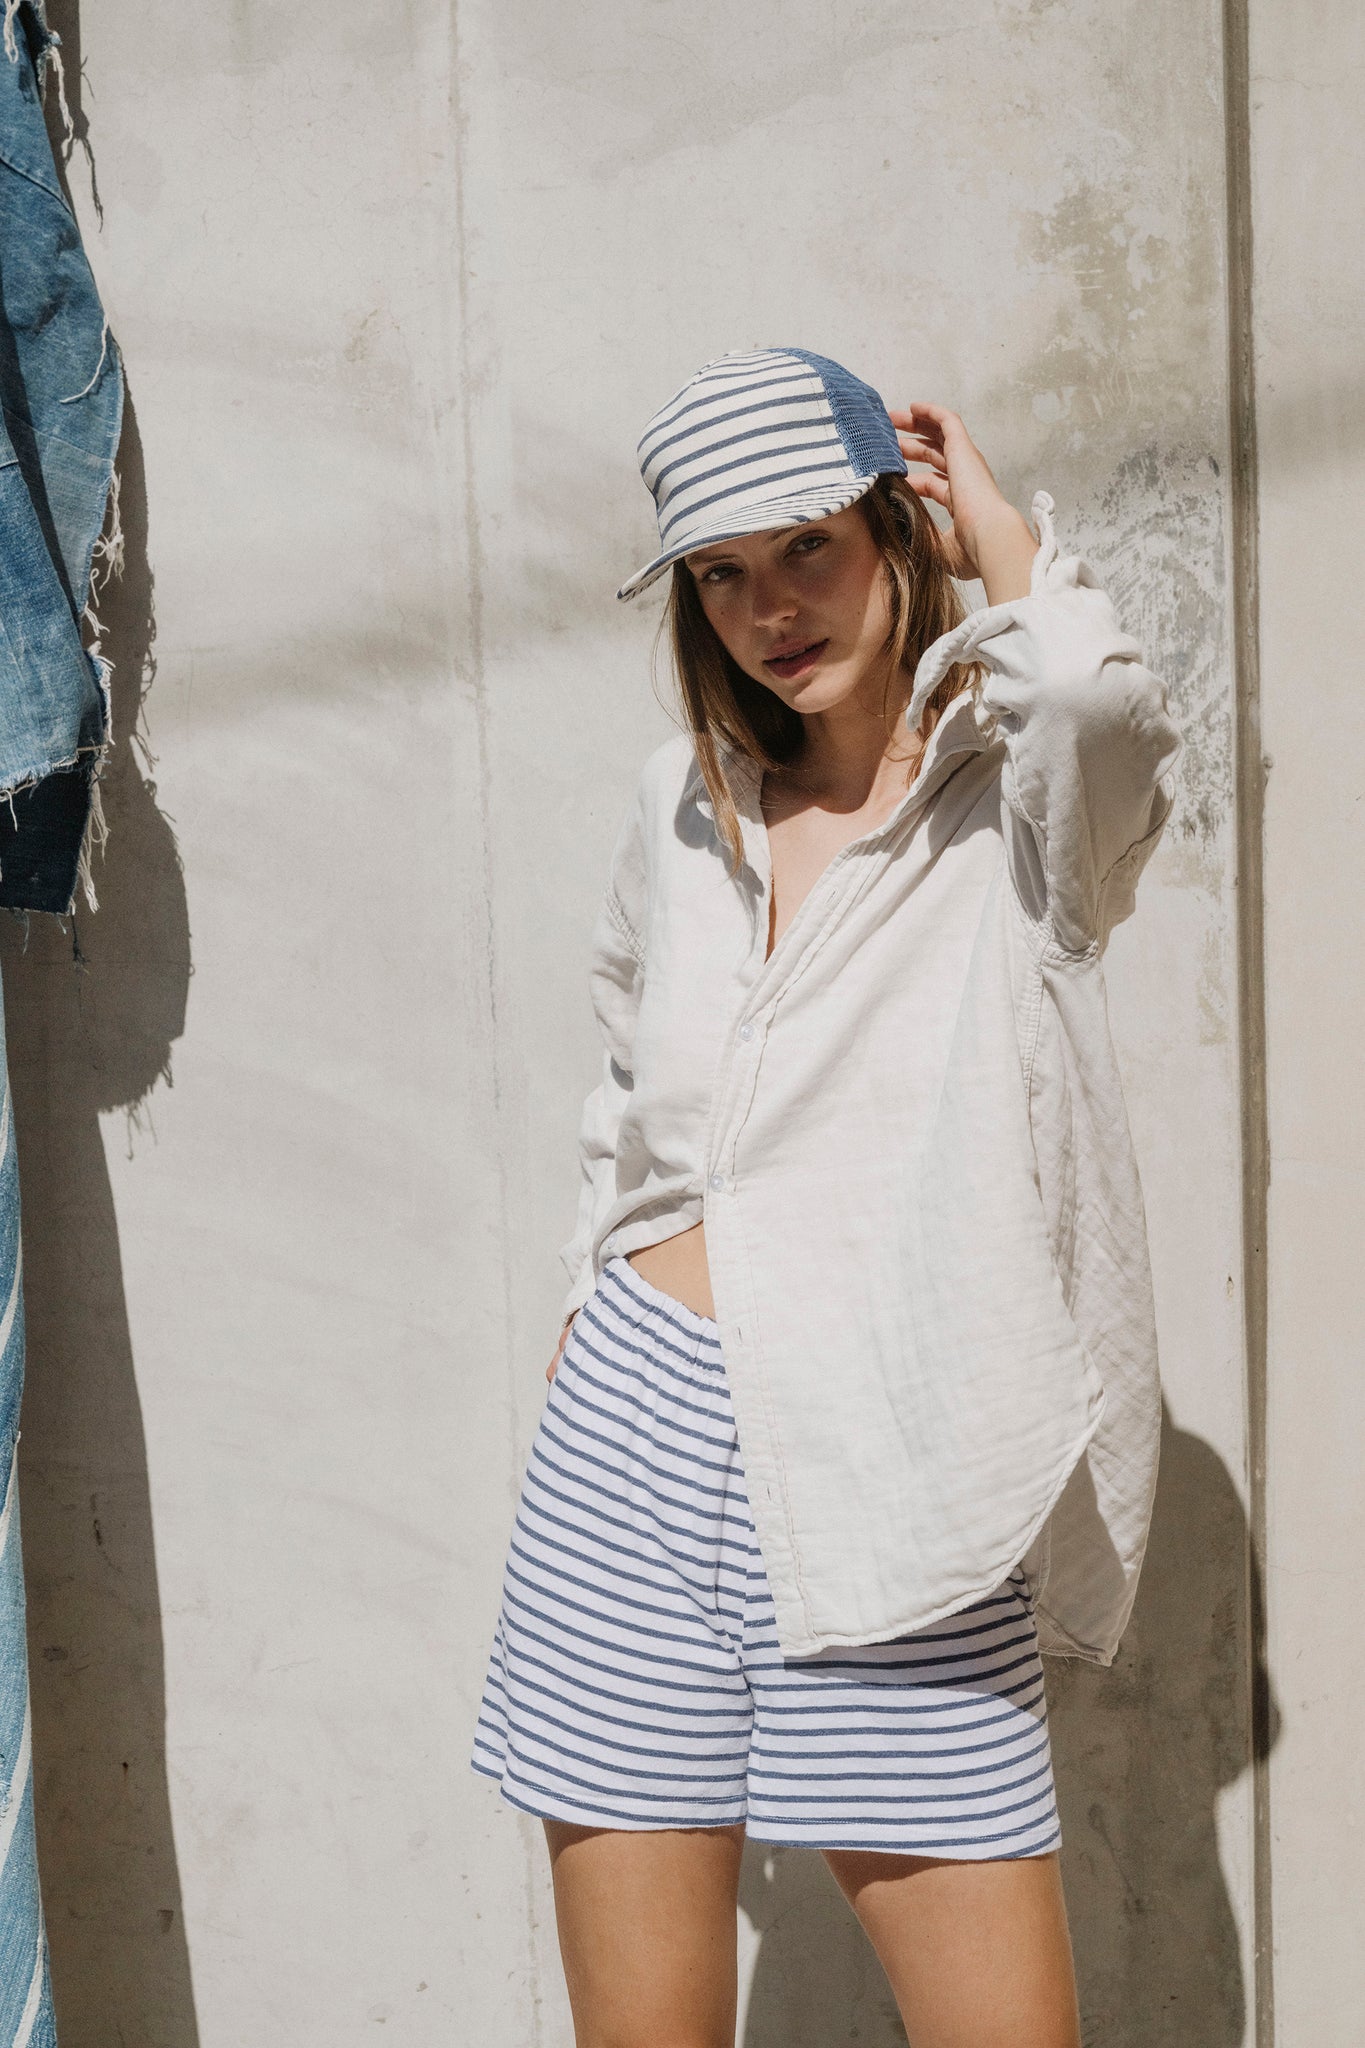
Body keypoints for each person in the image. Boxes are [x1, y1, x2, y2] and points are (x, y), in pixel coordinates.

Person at [470, 348, 1183, 2046]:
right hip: (633, 1441)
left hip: (891, 1456)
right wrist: (589, 1289)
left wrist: (992, 529)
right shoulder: (679, 801)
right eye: (721, 572)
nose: (769, 607)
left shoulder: (1018, 804)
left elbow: (1094, 699)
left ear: (891, 530)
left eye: (807, 546)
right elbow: (626, 1084)